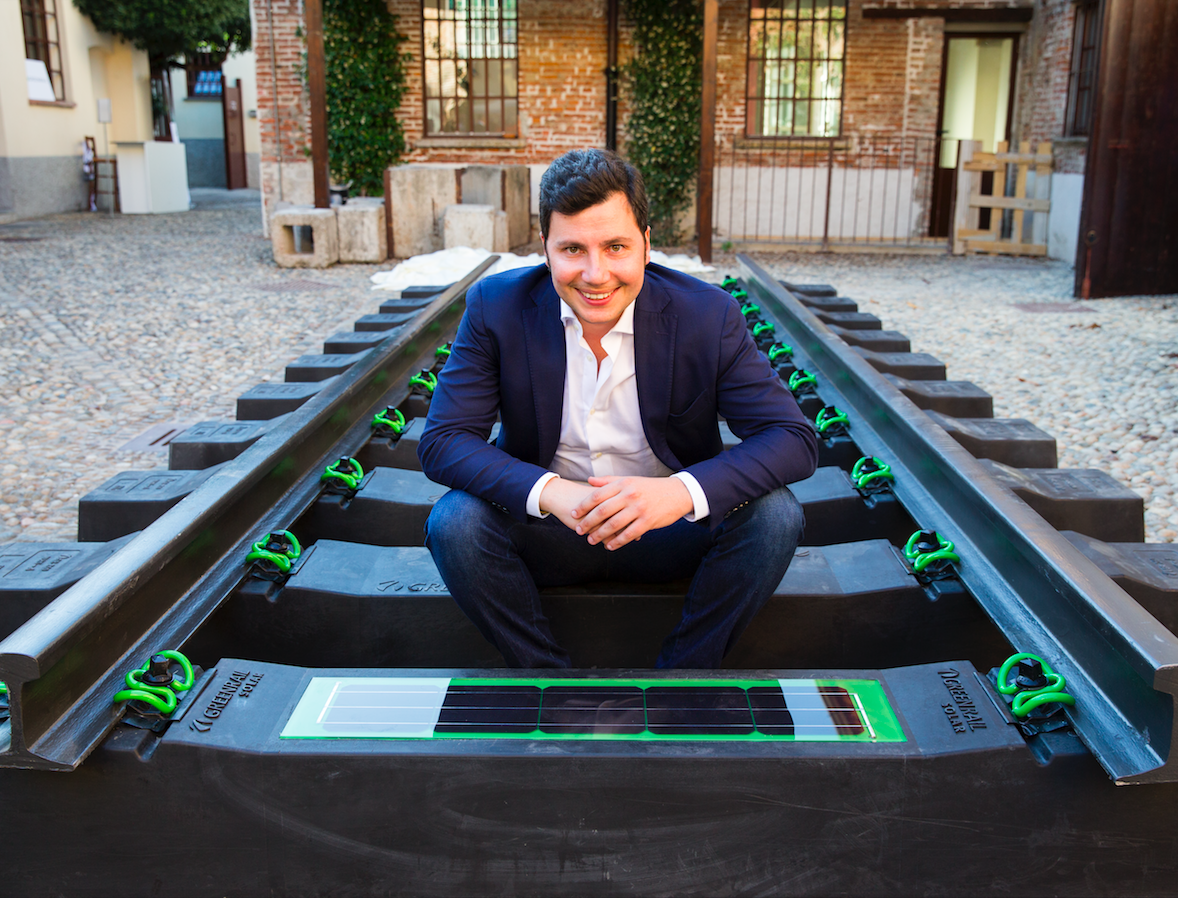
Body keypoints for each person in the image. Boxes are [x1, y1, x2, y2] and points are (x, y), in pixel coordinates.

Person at [419, 148, 818, 669]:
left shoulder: (707, 314)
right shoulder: (496, 307)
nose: (595, 273)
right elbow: (443, 441)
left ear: (646, 245)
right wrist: (550, 493)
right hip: (548, 531)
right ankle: (553, 687)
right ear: (545, 249)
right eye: (572, 250)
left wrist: (678, 493)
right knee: (455, 524)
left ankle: (680, 682)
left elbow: (792, 438)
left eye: (615, 246)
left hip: (671, 531)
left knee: (776, 515)